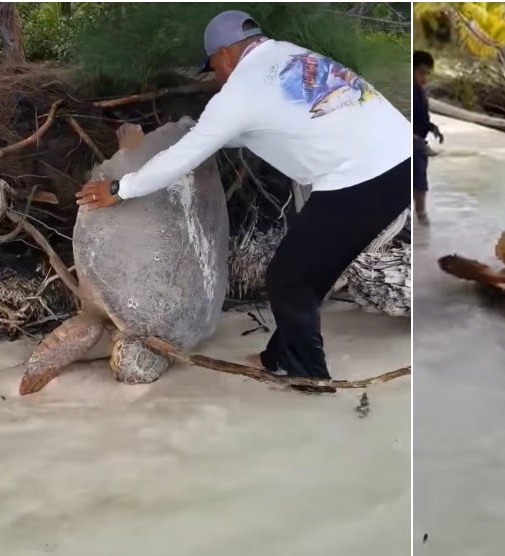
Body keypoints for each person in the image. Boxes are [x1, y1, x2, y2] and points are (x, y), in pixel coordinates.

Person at [75, 10, 411, 387]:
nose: (216, 76)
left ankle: (311, 385)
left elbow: (188, 155)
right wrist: (203, 130)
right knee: (306, 272)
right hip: (401, 160)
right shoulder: (288, 54)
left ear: (225, 54)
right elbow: (256, 125)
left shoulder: (240, 92)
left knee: (288, 279)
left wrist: (122, 189)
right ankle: (277, 358)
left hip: (364, 178)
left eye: (213, 67)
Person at [413, 50, 442, 225]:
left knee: (419, 181)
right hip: (412, 144)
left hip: (419, 143)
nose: (424, 78)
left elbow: (424, 119)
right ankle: (422, 218)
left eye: (427, 74)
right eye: (421, 73)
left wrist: (433, 128)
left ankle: (420, 218)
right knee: (419, 183)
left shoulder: (420, 92)